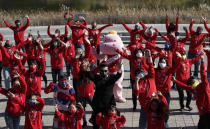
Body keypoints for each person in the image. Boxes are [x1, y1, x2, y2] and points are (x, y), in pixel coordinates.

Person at [173, 55, 210, 129]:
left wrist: (202, 62)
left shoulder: (204, 85)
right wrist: (175, 80)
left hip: (208, 112)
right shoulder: (194, 89)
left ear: (197, 80)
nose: (192, 83)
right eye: (191, 83)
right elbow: (184, 86)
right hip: (202, 113)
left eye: (193, 81)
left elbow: (203, 74)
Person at [84, 62, 122, 129]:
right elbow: (88, 74)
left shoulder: (111, 78)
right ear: (99, 71)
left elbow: (118, 75)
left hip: (109, 104)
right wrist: (87, 67)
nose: (103, 72)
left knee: (109, 123)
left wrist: (119, 68)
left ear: (108, 71)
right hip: (98, 103)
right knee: (96, 123)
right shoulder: (97, 77)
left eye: (105, 71)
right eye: (101, 71)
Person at [133, 49, 158, 129]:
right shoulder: (138, 83)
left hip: (155, 105)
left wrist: (149, 56)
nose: (141, 73)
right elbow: (136, 92)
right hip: (145, 107)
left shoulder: (150, 77)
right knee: (142, 125)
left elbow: (150, 65)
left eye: (142, 71)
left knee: (156, 123)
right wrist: (136, 80)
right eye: (138, 73)